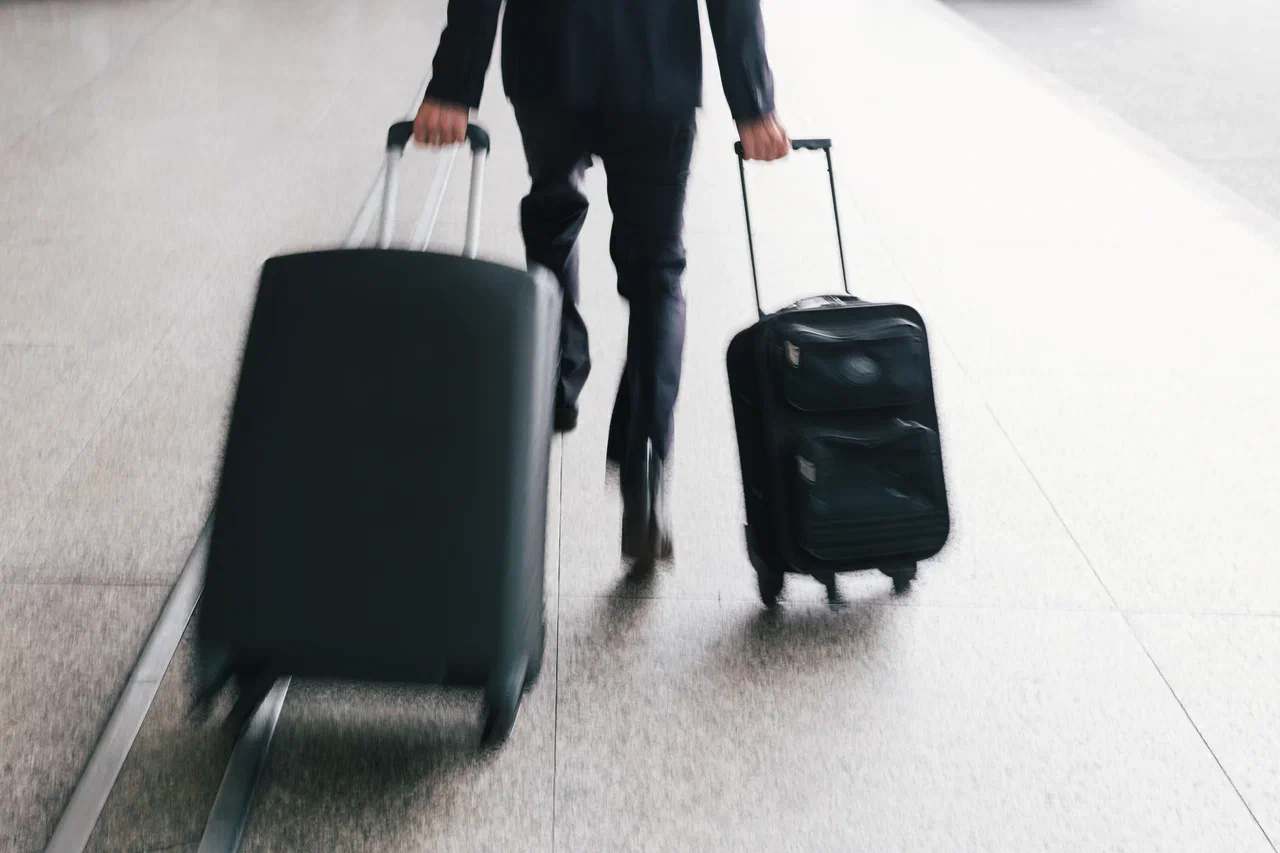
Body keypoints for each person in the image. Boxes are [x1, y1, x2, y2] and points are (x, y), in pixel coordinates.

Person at [414, 0, 789, 567]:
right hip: (656, 69)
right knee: (657, 271)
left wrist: (452, 86)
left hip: (551, 61)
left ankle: (558, 376)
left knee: (554, 216)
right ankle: (645, 460)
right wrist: (753, 101)